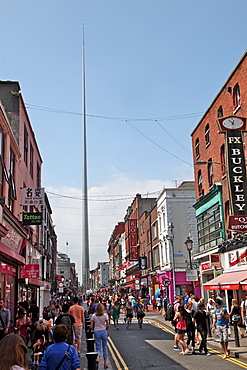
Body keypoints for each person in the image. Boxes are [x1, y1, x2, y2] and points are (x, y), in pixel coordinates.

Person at [90, 303, 109, 369]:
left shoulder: (93, 316)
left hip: (96, 332)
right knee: (104, 347)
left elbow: (91, 326)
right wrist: (105, 328)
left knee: (98, 348)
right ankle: (105, 363)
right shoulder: (105, 316)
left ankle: (97, 359)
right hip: (103, 331)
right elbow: (108, 325)